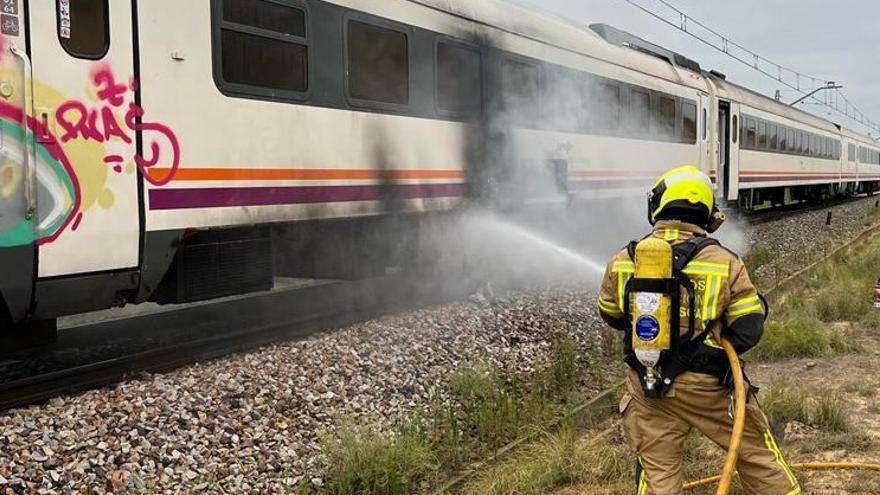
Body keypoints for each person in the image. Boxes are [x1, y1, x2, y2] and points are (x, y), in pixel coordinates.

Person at [597, 166, 801, 495]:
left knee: (658, 470)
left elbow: (611, 314)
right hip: (709, 390)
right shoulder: (724, 261)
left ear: (658, 206)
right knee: (756, 455)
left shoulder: (624, 259)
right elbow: (747, 330)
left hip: (648, 386)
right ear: (705, 213)